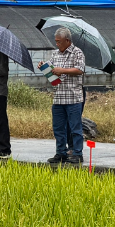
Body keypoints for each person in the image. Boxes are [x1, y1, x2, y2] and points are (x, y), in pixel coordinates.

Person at [44, 27, 87, 165]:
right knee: (58, 127)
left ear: (67, 40)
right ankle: (60, 152)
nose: (57, 44)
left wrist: (61, 70)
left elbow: (80, 70)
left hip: (73, 97)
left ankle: (77, 153)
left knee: (75, 127)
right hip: (58, 96)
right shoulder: (55, 54)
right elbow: (52, 72)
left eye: (59, 41)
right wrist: (45, 68)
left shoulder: (77, 53)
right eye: (56, 41)